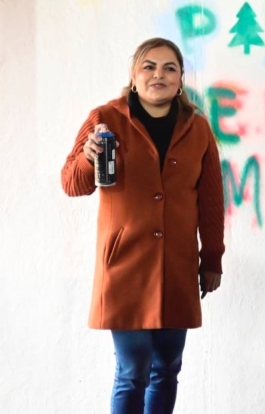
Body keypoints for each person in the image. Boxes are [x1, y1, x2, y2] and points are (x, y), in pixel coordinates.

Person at [61, 38, 225, 414]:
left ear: (181, 79)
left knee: (167, 369)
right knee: (132, 370)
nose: (159, 75)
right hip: (125, 264)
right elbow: (72, 184)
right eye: (149, 66)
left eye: (170, 68)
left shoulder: (197, 128)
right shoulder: (106, 118)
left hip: (177, 264)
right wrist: (87, 159)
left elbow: (211, 201)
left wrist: (211, 258)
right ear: (134, 76)